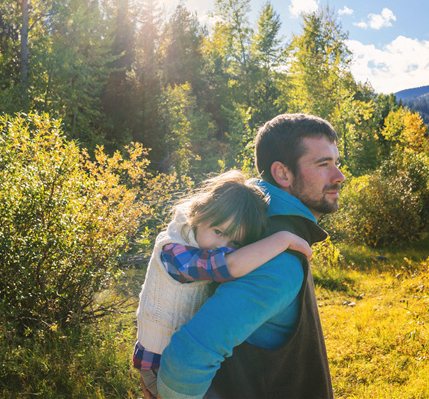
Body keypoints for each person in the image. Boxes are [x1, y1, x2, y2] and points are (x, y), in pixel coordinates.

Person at [155, 113, 345, 399]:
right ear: (283, 173)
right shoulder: (278, 255)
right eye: (323, 164)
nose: (339, 176)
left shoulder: (249, 219)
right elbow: (186, 361)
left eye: (337, 163)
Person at [134, 170, 314, 399]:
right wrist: (283, 239)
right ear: (199, 214)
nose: (222, 247)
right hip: (159, 364)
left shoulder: (195, 238)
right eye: (218, 232)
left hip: (173, 357)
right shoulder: (175, 252)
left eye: (234, 242)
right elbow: (232, 265)